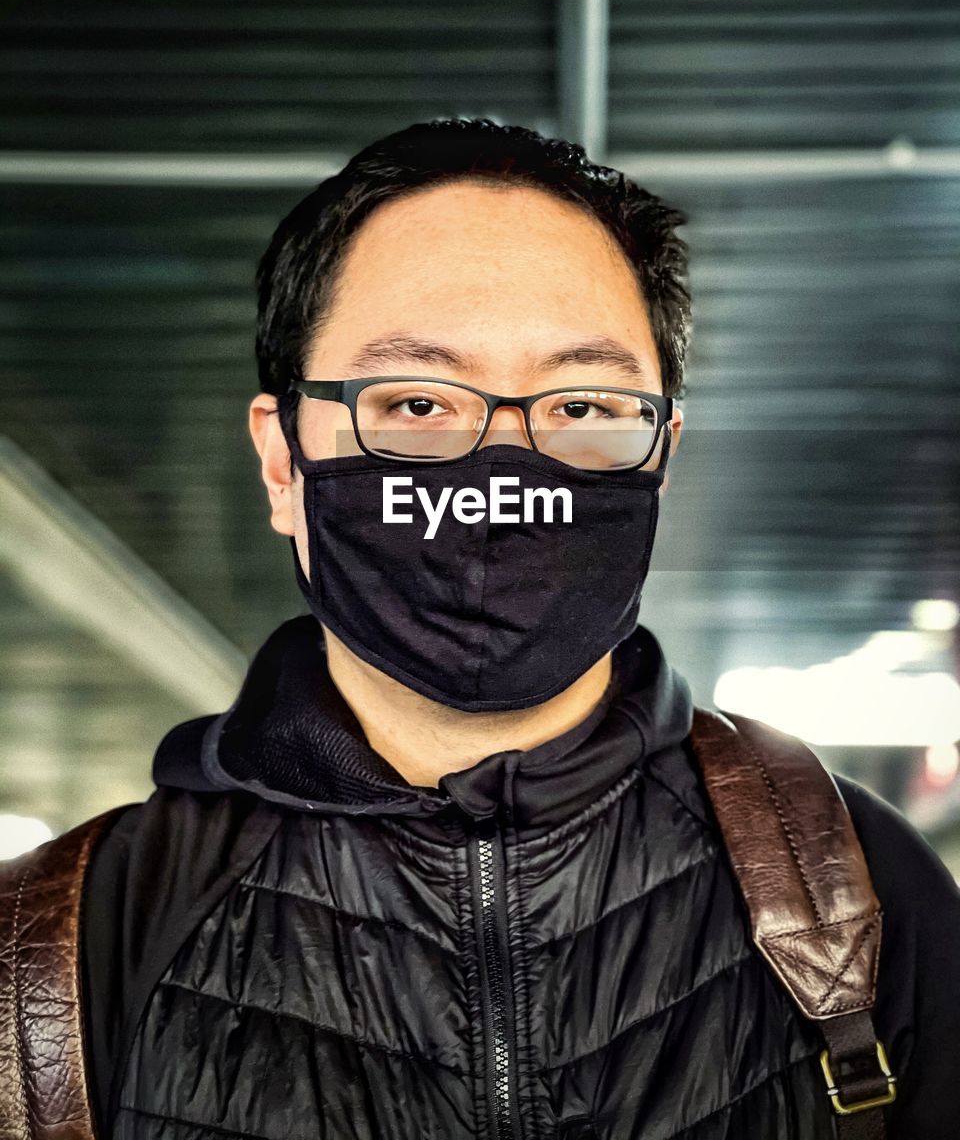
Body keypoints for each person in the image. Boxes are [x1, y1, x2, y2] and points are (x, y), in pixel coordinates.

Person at [29, 120, 960, 1137]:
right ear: (283, 460)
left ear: (660, 456)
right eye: (419, 399)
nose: (505, 471)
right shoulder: (59, 956)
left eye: (583, 403)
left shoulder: (854, 892)